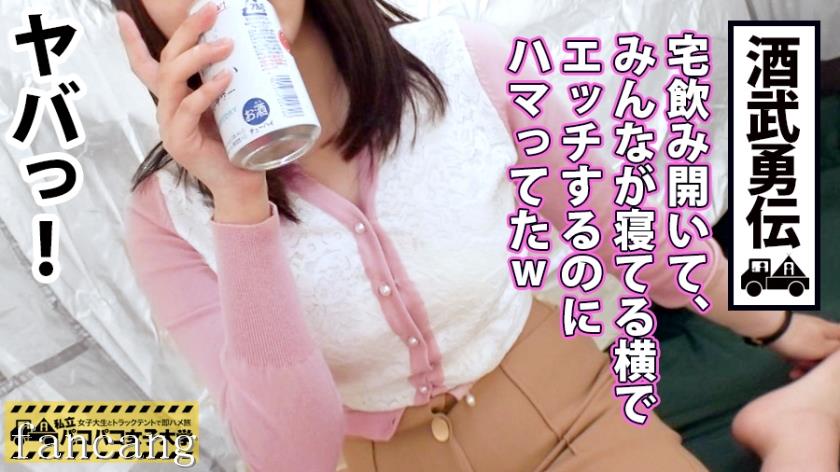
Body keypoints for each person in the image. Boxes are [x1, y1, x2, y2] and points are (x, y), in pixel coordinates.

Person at [113, 1, 840, 470]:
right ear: (138, 16)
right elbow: (292, 456)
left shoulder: (461, 66)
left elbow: (618, 225)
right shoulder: (166, 217)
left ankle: (796, 423)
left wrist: (773, 322)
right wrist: (240, 203)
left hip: (572, 417)